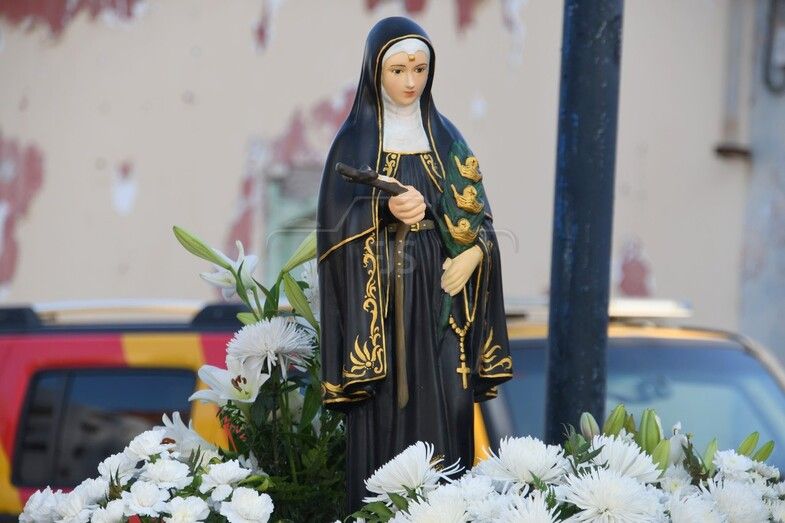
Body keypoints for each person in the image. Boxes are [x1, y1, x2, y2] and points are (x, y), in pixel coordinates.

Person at [316, 16, 513, 512]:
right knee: (388, 413)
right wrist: (384, 210)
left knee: (448, 401)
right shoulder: (354, 142)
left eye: (420, 70)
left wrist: (473, 253)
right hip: (383, 304)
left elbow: (479, 218)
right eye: (399, 70)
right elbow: (334, 232)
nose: (410, 82)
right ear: (374, 71)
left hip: (444, 301)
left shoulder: (446, 138)